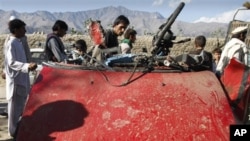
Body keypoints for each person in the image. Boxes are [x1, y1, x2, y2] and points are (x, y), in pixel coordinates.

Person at [4, 19, 37, 138]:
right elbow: (11, 62)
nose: (25, 31)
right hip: (16, 83)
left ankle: (18, 130)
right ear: (16, 30)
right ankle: (13, 133)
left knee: (21, 109)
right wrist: (26, 66)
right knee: (13, 111)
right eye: (23, 28)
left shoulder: (19, 42)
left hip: (22, 80)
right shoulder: (11, 43)